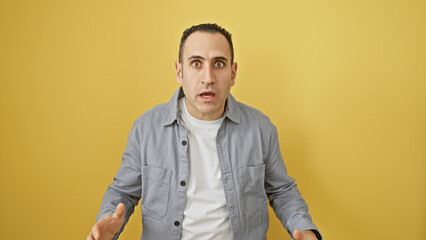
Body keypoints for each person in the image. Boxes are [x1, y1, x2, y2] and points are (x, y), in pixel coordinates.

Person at [87, 23, 322, 240]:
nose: (208, 78)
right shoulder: (146, 129)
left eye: (219, 64)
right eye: (196, 63)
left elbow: (282, 190)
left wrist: (305, 229)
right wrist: (108, 221)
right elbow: (123, 192)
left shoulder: (261, 128)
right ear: (179, 72)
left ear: (233, 73)